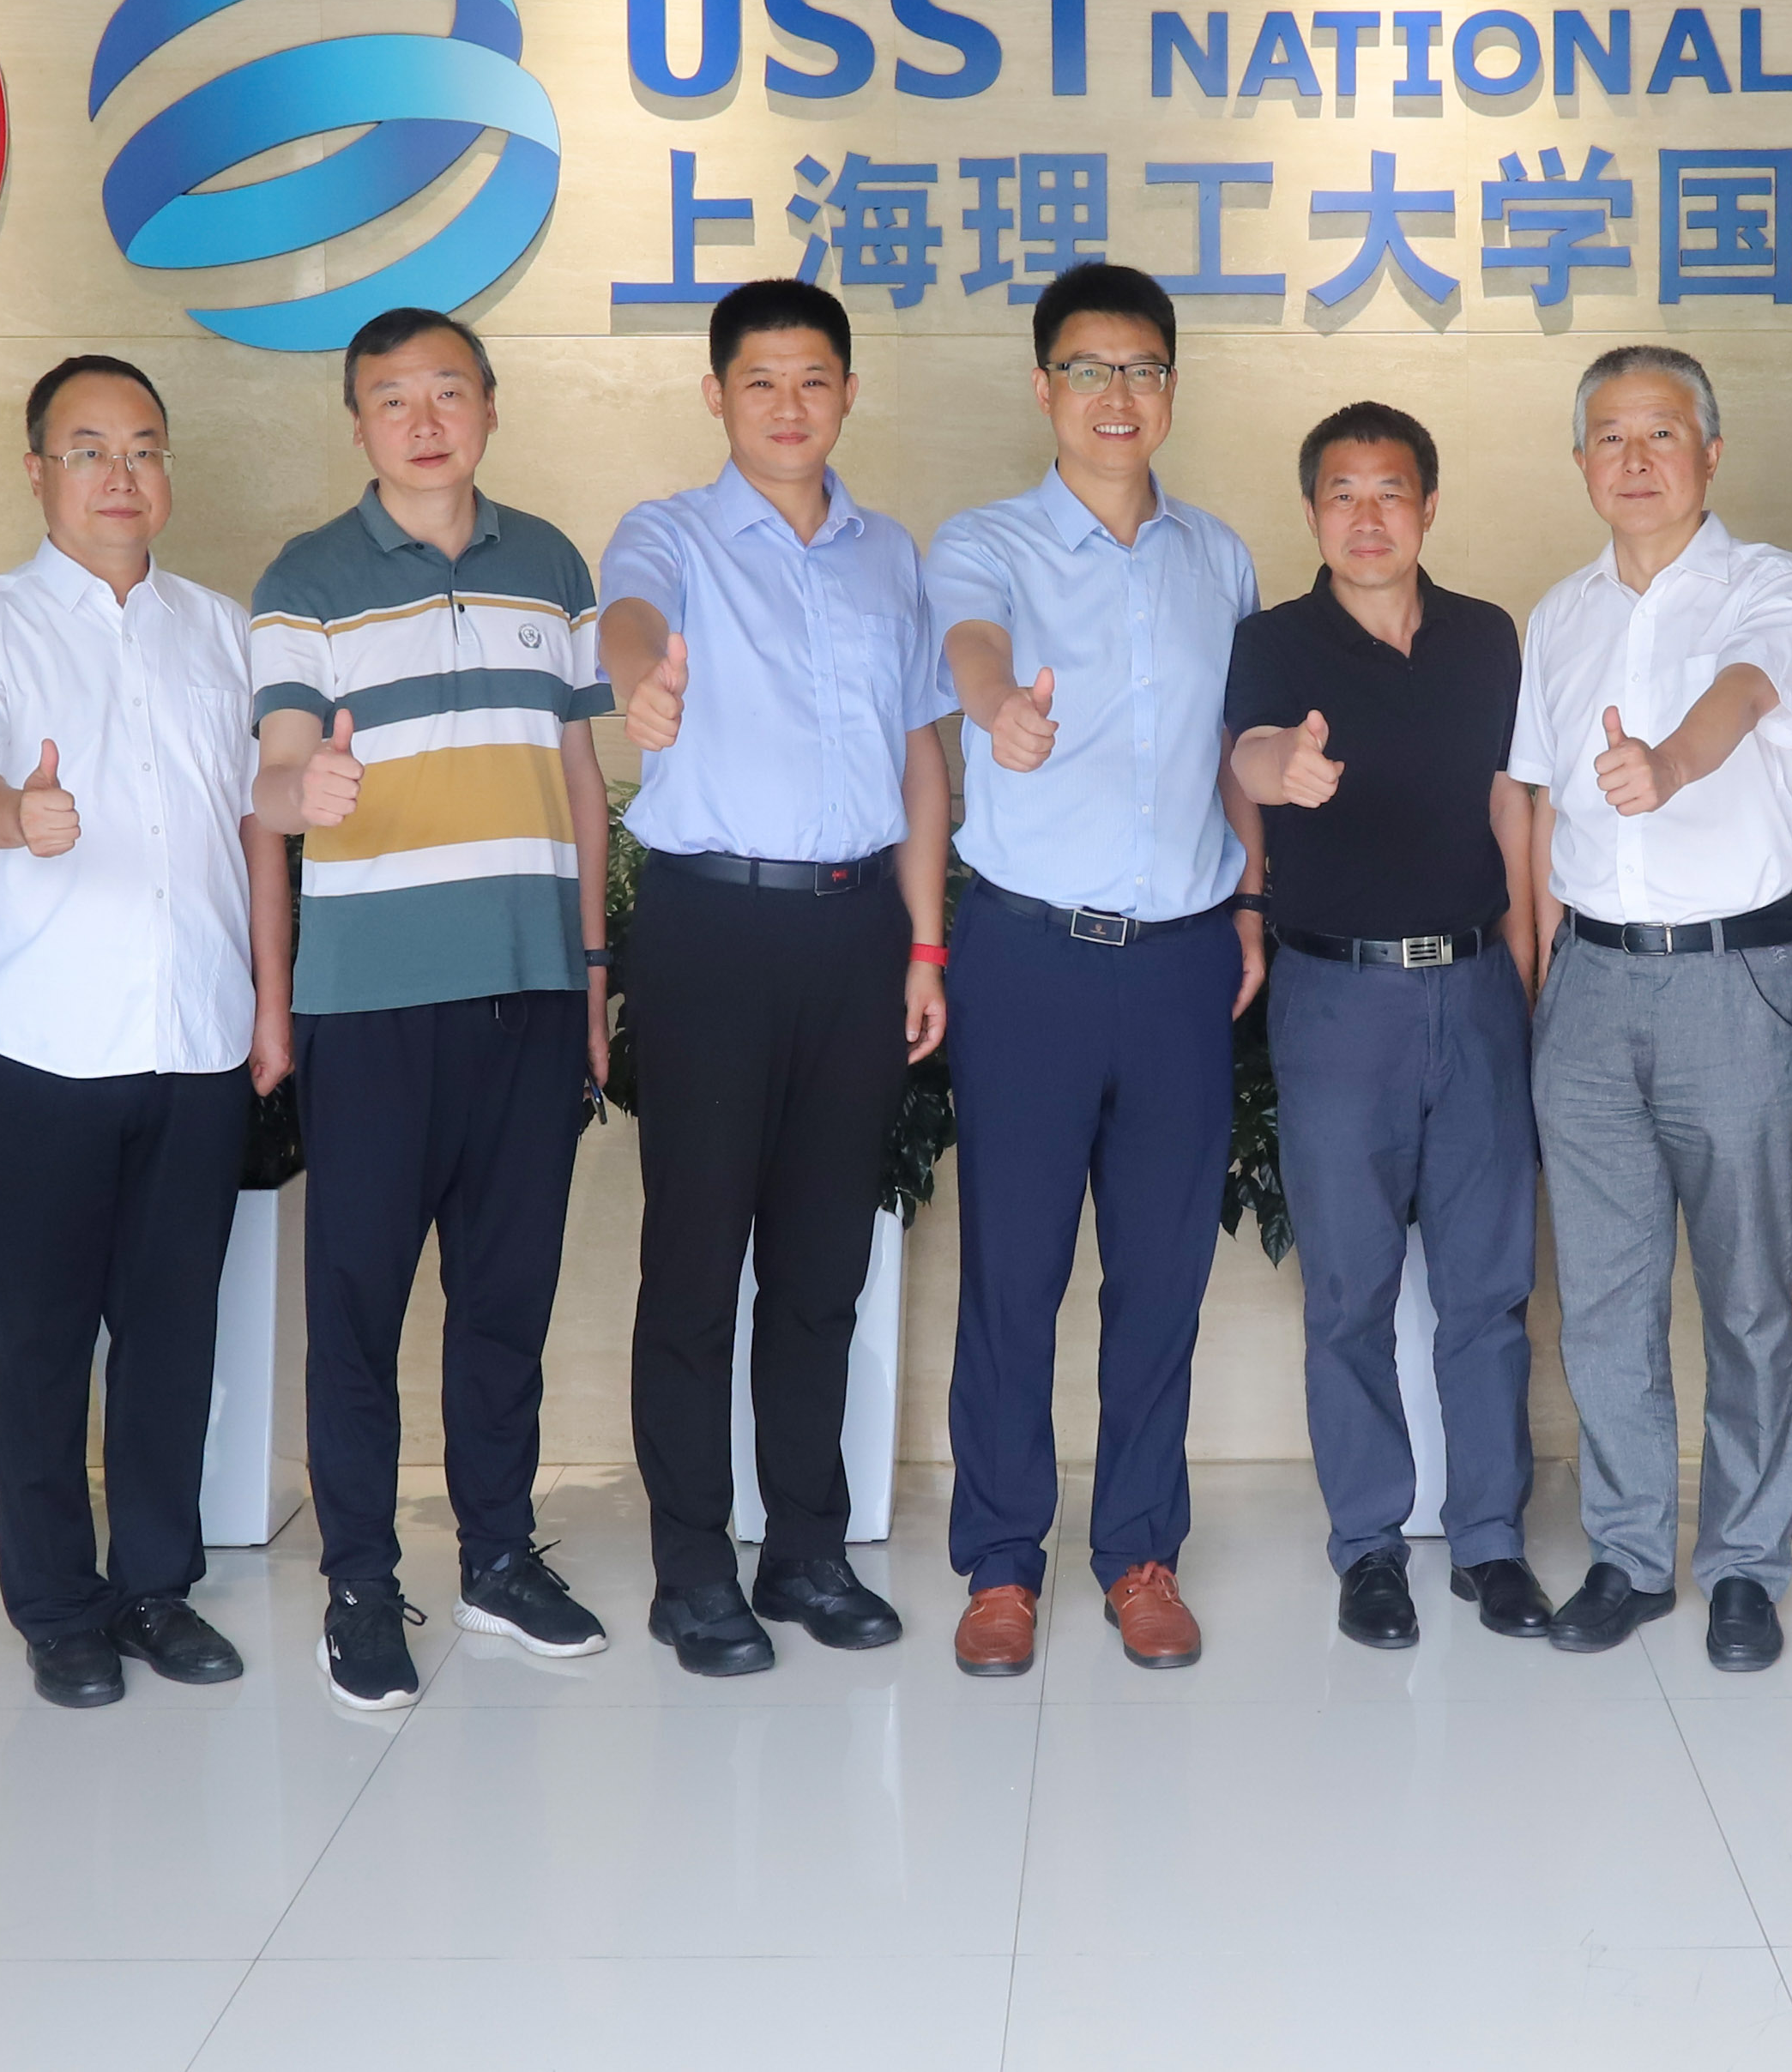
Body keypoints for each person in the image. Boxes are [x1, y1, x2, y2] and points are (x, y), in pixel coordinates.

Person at [249, 307, 618, 1710]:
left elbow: (581, 780)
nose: (423, 419)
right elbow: (276, 774)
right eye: (392, 397)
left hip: (533, 989)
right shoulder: (307, 578)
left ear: (490, 406)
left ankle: (499, 1556)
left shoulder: (551, 564)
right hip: (372, 1004)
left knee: (505, 1299)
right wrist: (306, 790)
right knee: (355, 1305)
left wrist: (594, 968)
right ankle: (358, 1579)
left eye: (448, 391)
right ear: (358, 421)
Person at [597, 278, 953, 1679]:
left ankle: (806, 1547)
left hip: (857, 931)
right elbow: (630, 619)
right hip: (710, 928)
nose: (789, 405)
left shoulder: (890, 553)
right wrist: (643, 684)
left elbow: (920, 758)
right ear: (717, 395)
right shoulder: (670, 530)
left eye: (814, 380)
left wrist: (924, 941)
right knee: (695, 1262)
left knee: (822, 1263)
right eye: (760, 380)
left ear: (848, 394)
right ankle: (692, 1569)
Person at [0, 355, 263, 1710]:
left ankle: (157, 1586)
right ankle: (58, 1605)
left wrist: (271, 997)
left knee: (173, 1336)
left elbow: (257, 816)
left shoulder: (222, 628)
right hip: (48, 1045)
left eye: (144, 449)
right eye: (90, 449)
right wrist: (17, 814)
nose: (121, 475)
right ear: (37, 470)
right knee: (46, 1339)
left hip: (197, 1033)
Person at [929, 263, 1264, 1679]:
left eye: (1140, 369)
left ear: (1171, 388)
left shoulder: (1221, 558)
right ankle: (1002, 1562)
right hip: (1029, 959)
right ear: (1043, 386)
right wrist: (999, 705)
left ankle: (1138, 1550)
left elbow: (1236, 746)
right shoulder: (986, 540)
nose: (1115, 395)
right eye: (1087, 368)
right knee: (1013, 1272)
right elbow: (971, 645)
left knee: (1161, 1275)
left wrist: (1255, 896)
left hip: (1183, 962)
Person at [1513, 345, 1792, 1670]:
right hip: (1590, 979)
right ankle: (1630, 1553)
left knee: (1747, 1291)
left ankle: (1747, 1565)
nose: (1636, 458)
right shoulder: (1558, 613)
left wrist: (1667, 763)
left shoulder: (1773, 585)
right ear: (1581, 462)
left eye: (1662, 432)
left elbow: (1746, 693)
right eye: (1610, 436)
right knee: (1603, 1294)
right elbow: (1537, 802)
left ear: (1711, 452)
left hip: (1731, 978)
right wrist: (1543, 979)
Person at [1225, 400, 1549, 1652]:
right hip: (1335, 999)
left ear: (1429, 506)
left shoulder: (1485, 637)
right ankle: (1368, 1546)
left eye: (1391, 491)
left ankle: (1490, 1541)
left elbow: (1511, 808)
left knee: (1488, 1287)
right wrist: (1283, 769)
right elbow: (1248, 757)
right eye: (1343, 494)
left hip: (1475, 984)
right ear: (1313, 513)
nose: (1368, 516)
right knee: (1349, 1291)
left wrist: (1526, 973)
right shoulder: (1274, 641)